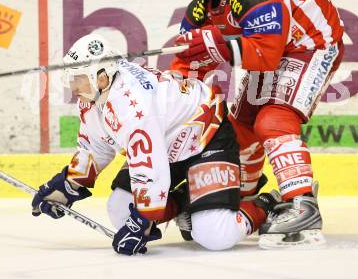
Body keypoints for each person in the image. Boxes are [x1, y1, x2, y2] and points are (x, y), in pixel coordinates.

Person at [171, 0, 344, 248]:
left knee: (273, 120)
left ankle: (302, 203)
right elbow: (188, 52)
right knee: (242, 125)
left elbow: (265, 53)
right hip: (275, 48)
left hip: (311, 43)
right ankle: (239, 193)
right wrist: (178, 81)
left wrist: (220, 46)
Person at [31, 33, 279, 255]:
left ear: (102, 78)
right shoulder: (93, 95)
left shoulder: (133, 107)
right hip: (166, 144)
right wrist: (67, 186)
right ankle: (188, 200)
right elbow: (96, 146)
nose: (72, 86)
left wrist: (143, 220)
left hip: (205, 137)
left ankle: (268, 204)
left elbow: (150, 169)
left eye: (78, 78)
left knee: (215, 235)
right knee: (119, 210)